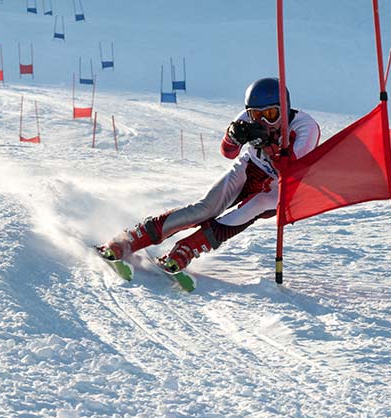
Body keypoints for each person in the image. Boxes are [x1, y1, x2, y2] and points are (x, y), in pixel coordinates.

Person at [98, 77, 321, 273]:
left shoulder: (305, 128)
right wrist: (233, 137)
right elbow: (228, 152)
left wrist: (268, 144)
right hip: (250, 167)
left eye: (271, 114)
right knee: (206, 208)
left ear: (285, 108)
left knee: (254, 206)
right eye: (256, 115)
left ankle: (187, 249)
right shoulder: (246, 118)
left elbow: (290, 172)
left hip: (279, 186)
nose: (263, 121)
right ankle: (131, 239)